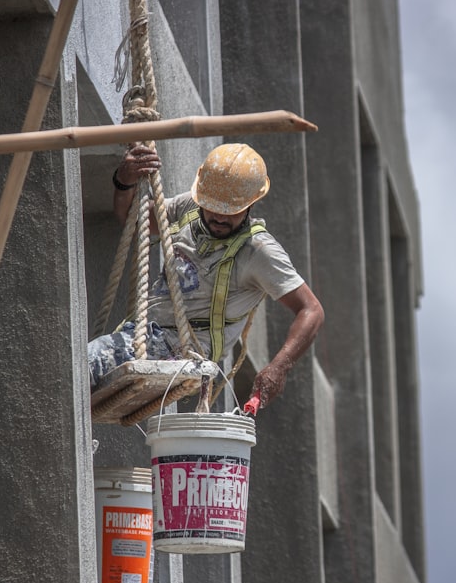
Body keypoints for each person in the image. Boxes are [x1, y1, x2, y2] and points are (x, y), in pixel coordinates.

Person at [88, 142, 324, 411]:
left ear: (251, 204)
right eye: (212, 207)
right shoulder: (189, 208)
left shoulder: (259, 252)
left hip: (183, 350)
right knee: (77, 372)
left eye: (231, 210)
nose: (220, 217)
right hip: (143, 335)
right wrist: (124, 180)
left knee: (82, 366)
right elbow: (135, 220)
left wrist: (279, 367)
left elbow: (312, 310)